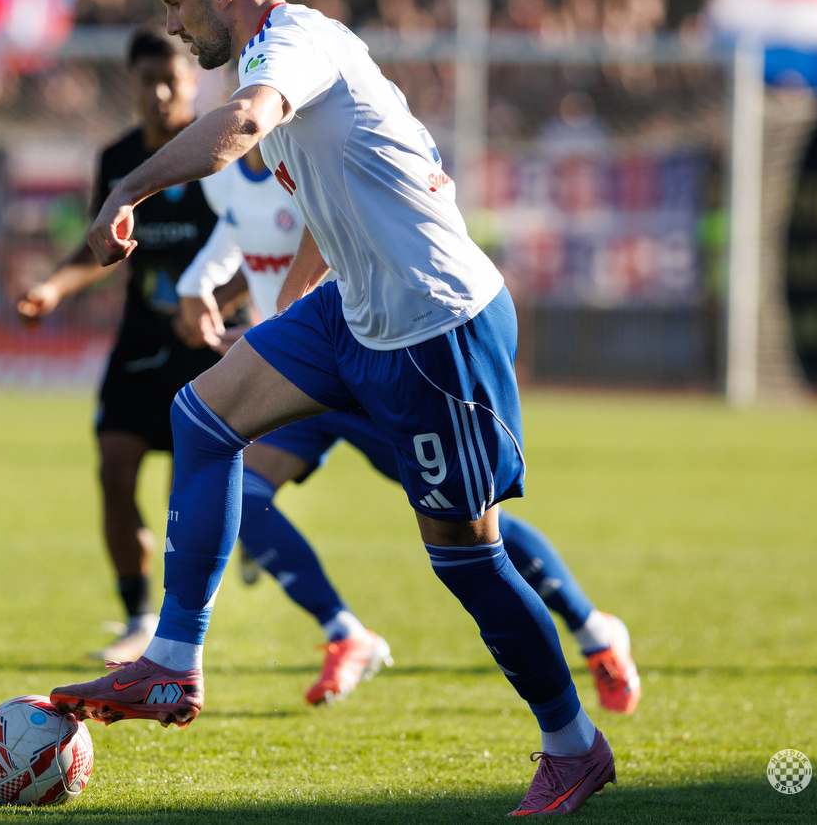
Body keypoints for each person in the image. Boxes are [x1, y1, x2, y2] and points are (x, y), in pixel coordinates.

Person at [51, 0, 617, 816]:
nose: (171, 25)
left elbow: (242, 124)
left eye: (176, 4)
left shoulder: (296, 44)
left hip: (438, 330)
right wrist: (280, 316)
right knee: (199, 417)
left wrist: (129, 185)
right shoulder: (277, 63)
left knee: (468, 560)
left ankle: (573, 746)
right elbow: (332, 195)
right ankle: (172, 663)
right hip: (354, 314)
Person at [176, 144, 640, 715]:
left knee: (466, 526)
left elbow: (329, 227)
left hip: (370, 355)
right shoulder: (228, 177)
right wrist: (197, 284)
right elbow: (237, 232)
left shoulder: (314, 147)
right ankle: (345, 632)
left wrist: (281, 308)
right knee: (245, 492)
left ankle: (595, 632)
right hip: (305, 367)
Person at [15, 29, 239, 664]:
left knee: (191, 491)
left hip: (209, 343)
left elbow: (252, 247)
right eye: (147, 79)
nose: (161, 90)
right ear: (133, 83)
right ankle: (138, 615)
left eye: (172, 77)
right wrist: (53, 289)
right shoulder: (118, 160)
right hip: (140, 343)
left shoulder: (220, 151)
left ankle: (184, 619)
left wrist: (215, 309)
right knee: (113, 468)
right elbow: (100, 247)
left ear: (193, 81)